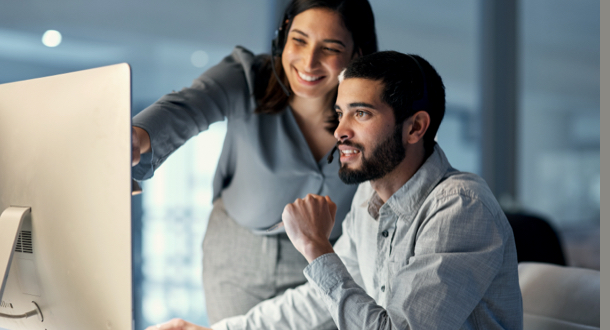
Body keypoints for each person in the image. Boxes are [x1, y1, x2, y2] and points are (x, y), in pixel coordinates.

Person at [147, 51, 523, 330]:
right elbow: (318, 300)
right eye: (340, 113)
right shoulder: (368, 199)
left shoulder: (459, 207)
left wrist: (316, 247)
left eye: (361, 114)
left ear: (415, 128)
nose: (340, 131)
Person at [131, 0, 378, 324]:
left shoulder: (371, 115)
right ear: (282, 37)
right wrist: (136, 136)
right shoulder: (248, 76)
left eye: (329, 48)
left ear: (356, 54)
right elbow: (188, 106)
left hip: (324, 253)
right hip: (238, 252)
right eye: (299, 40)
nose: (308, 61)